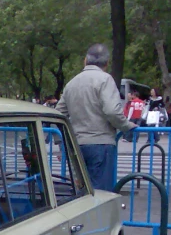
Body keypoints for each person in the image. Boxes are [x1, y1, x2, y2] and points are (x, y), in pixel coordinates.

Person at [56, 43, 137, 191]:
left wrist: (61, 143)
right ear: (107, 63)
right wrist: (127, 126)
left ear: (85, 60)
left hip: (77, 144)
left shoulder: (72, 83)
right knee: (100, 193)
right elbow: (112, 111)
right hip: (101, 143)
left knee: (81, 194)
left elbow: (58, 114)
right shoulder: (105, 80)